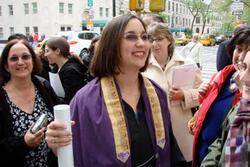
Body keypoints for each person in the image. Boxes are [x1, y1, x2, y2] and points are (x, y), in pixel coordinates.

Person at [45, 14, 172, 167]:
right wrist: (56, 142)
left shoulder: (157, 93)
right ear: (111, 45)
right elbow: (71, 152)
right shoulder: (85, 101)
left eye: (145, 37)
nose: (141, 43)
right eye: (131, 37)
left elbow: (170, 149)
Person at [143, 22, 203, 167]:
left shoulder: (186, 64)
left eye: (159, 39)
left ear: (169, 40)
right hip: (154, 133)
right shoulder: (142, 67)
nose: (155, 44)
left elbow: (204, 94)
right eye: (151, 39)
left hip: (182, 131)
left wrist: (184, 95)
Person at [190, 27, 248, 167]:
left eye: (249, 52)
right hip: (202, 154)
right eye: (239, 49)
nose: (241, 57)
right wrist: (204, 99)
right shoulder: (222, 75)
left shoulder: (246, 90)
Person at [0, 40, 58, 166]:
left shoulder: (44, 86)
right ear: (6, 66)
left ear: (32, 60)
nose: (20, 62)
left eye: (25, 57)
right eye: (14, 58)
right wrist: (24, 142)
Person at [44, 37, 89, 104]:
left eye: (47, 51)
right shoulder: (56, 68)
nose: (45, 54)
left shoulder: (70, 72)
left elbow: (71, 101)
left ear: (57, 51)